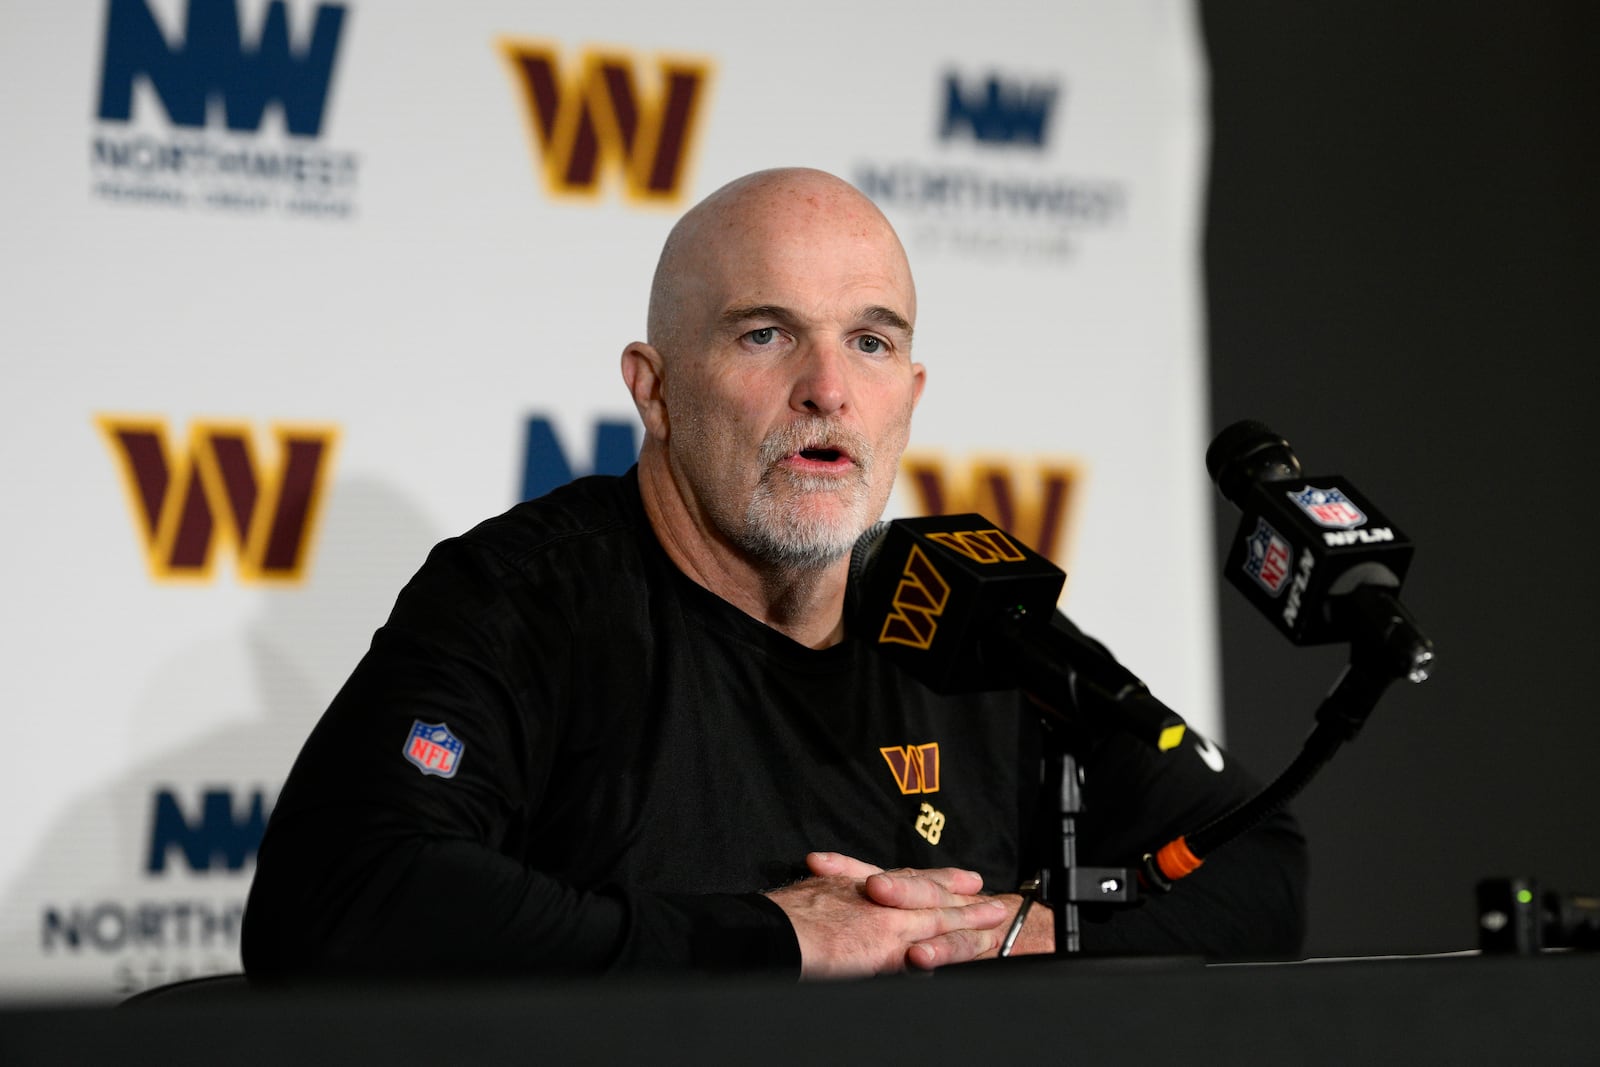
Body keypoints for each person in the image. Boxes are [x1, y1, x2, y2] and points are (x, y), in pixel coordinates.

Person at [242, 168, 1306, 980]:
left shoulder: (974, 614)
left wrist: (1022, 937)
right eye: (765, 334)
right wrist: (777, 938)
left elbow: (1256, 854)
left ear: (912, 392)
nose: (827, 389)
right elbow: (339, 893)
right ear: (652, 390)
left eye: (871, 342)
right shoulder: (528, 597)